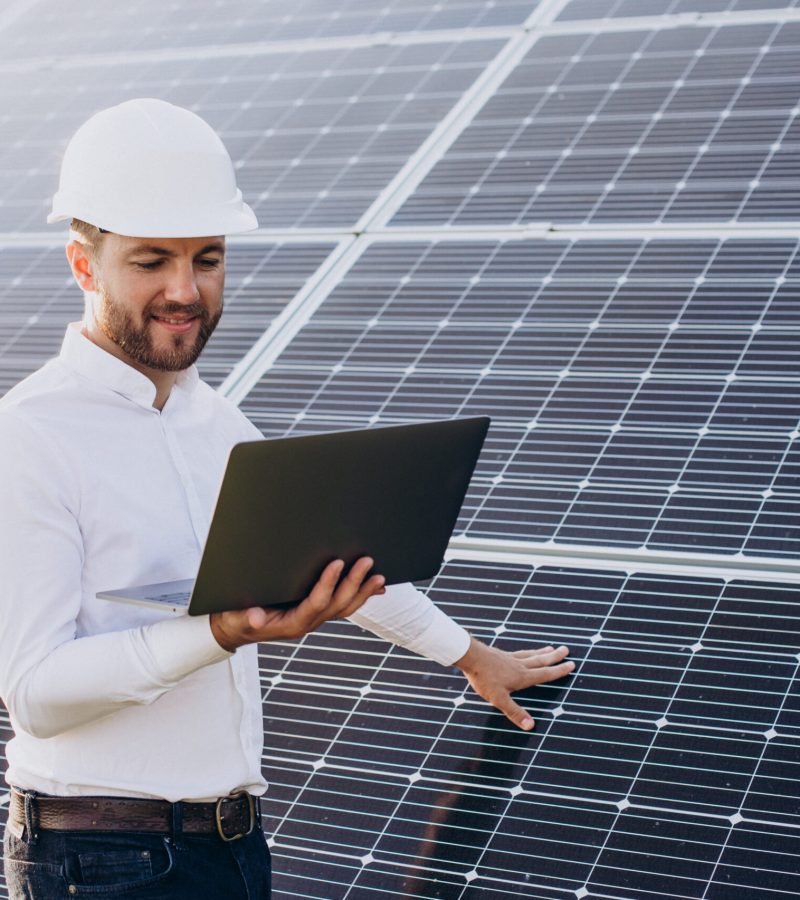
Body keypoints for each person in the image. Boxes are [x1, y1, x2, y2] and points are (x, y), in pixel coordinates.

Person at [0, 98, 574, 899]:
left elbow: (339, 562)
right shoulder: (30, 434)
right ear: (83, 264)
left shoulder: (218, 424)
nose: (184, 290)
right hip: (101, 859)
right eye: (150, 260)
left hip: (231, 847)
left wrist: (472, 658)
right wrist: (222, 632)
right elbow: (34, 695)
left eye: (207, 257)